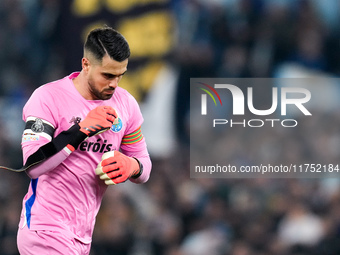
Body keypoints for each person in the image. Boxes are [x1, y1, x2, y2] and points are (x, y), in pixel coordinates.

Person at [16, 25, 152, 254]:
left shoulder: (126, 105)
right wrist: (80, 131)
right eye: (107, 75)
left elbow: (144, 163)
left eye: (120, 75)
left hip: (81, 237)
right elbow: (33, 165)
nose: (114, 84)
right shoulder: (48, 97)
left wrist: (132, 166)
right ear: (86, 64)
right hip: (44, 230)